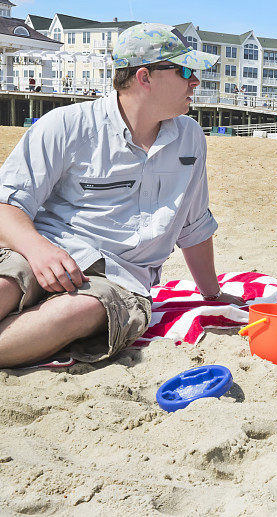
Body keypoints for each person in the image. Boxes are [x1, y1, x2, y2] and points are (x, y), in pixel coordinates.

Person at [0, 23, 243, 368]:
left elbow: (194, 226)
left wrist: (212, 293)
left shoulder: (191, 138)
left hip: (121, 278)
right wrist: (39, 251)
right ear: (145, 77)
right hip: (46, 247)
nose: (196, 81)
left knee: (77, 310)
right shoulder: (67, 125)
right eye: (185, 70)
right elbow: (7, 204)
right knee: (6, 286)